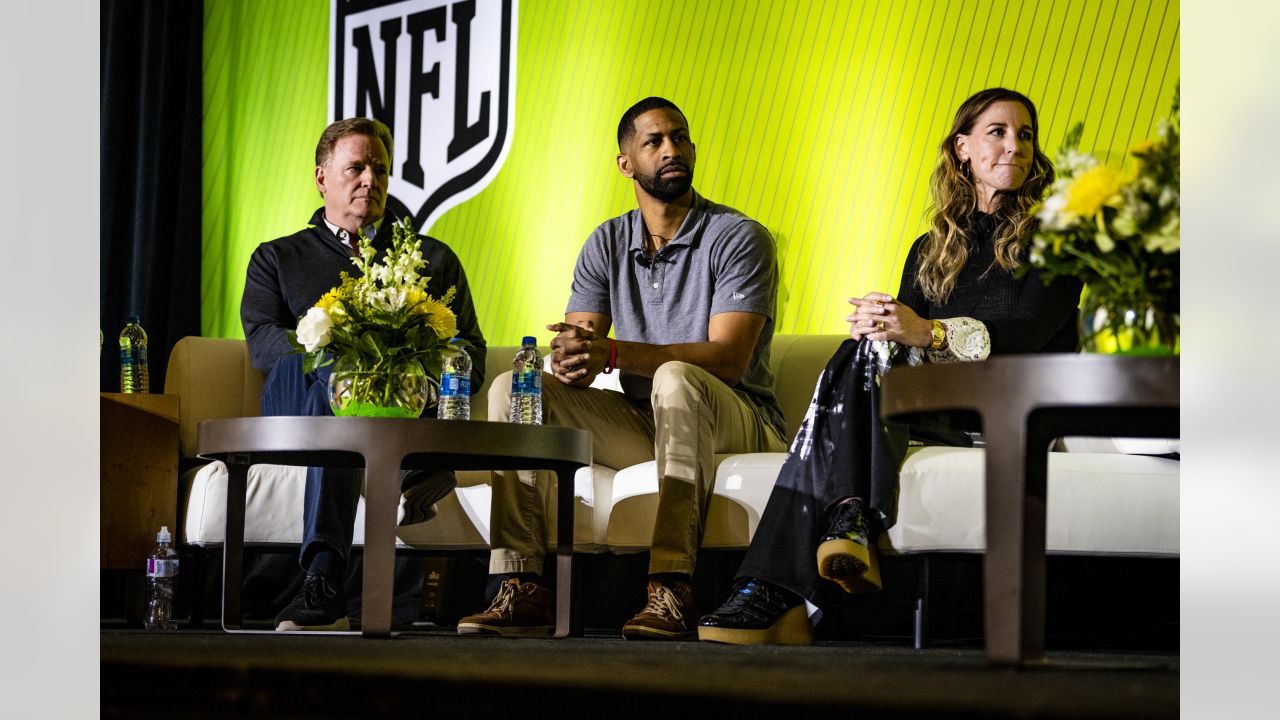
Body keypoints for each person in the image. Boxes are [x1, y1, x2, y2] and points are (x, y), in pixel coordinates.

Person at [697, 88, 1083, 645]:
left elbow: (1022, 337)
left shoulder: (1060, 241)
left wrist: (923, 331)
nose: (1015, 146)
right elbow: (899, 350)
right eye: (997, 132)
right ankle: (842, 522)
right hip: (932, 409)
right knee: (863, 349)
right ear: (962, 149)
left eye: (1024, 135)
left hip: (1009, 410)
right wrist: (880, 325)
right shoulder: (929, 249)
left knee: (858, 376)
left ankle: (780, 582)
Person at [456, 97, 788, 640]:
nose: (671, 150)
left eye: (680, 138)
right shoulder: (605, 243)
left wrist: (611, 353)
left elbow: (728, 360)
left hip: (739, 416)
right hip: (643, 421)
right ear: (626, 162)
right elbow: (580, 344)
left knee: (676, 377)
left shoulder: (737, 236)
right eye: (654, 141)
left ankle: (671, 588)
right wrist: (572, 359)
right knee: (513, 387)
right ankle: (521, 587)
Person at [240, 117, 487, 631]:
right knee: (337, 370)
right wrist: (342, 344)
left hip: (394, 409)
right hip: (296, 397)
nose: (369, 180)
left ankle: (323, 583)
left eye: (379, 169)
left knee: (369, 379)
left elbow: (471, 351)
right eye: (355, 167)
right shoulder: (277, 257)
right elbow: (265, 345)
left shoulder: (431, 258)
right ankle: (416, 471)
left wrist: (407, 366)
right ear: (321, 177)